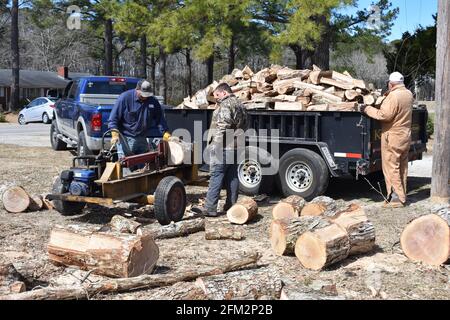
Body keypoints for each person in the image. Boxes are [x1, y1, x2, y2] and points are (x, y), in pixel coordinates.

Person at [193, 83, 248, 217]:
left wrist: (215, 145)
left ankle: (210, 208)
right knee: (232, 176)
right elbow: (245, 125)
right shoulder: (240, 104)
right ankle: (231, 205)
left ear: (224, 92)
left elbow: (224, 125)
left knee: (216, 176)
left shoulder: (226, 105)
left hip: (223, 147)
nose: (216, 98)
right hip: (236, 146)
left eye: (217, 95)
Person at [360, 72, 413, 208]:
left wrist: (367, 109)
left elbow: (385, 115)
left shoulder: (393, 96)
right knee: (402, 167)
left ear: (390, 83)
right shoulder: (408, 94)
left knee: (391, 167)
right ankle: (401, 195)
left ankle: (397, 198)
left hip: (393, 137)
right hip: (405, 135)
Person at [108, 79, 172, 165]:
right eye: (142, 95)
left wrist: (165, 133)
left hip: (142, 138)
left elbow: (160, 119)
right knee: (126, 168)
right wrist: (115, 134)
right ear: (137, 89)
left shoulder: (153, 101)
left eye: (147, 95)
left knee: (144, 168)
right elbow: (113, 119)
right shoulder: (125, 98)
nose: (145, 97)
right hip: (126, 139)